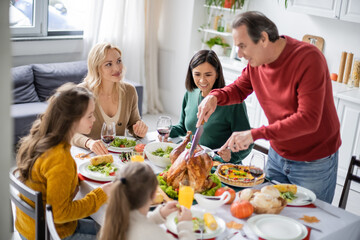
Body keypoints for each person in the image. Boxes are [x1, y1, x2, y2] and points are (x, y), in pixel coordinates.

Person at [196, 11, 341, 203]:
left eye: (242, 46)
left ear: (263, 38)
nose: (239, 54)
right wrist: (214, 96)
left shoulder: (309, 59)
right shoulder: (257, 63)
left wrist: (254, 134)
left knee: (311, 222)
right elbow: (239, 88)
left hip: (313, 160)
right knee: (271, 210)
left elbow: (308, 120)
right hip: (277, 155)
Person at [15, 83, 113, 240]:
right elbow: (60, 214)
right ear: (71, 120)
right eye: (90, 115)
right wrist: (100, 194)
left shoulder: (42, 138)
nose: (94, 119)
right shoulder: (60, 158)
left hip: (28, 227)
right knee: (115, 232)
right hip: (51, 233)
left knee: (104, 224)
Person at [164, 50, 252, 164]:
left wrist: (231, 155)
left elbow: (248, 143)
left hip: (220, 165)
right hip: (194, 161)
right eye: (197, 74)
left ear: (217, 74)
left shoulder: (234, 102)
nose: (202, 80)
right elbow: (184, 128)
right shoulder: (190, 93)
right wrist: (167, 131)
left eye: (208, 74)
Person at [72, 42, 148, 155]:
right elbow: (68, 132)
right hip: (89, 157)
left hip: (120, 157)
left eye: (119, 61)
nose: (117, 68)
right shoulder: (80, 93)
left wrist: (139, 129)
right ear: (97, 68)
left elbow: (134, 122)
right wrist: (89, 143)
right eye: (108, 64)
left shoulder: (129, 91)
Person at [100, 162, 196, 240]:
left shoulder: (113, 216)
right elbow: (143, 230)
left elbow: (136, 221)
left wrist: (159, 215)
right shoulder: (154, 234)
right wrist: (185, 226)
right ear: (154, 194)